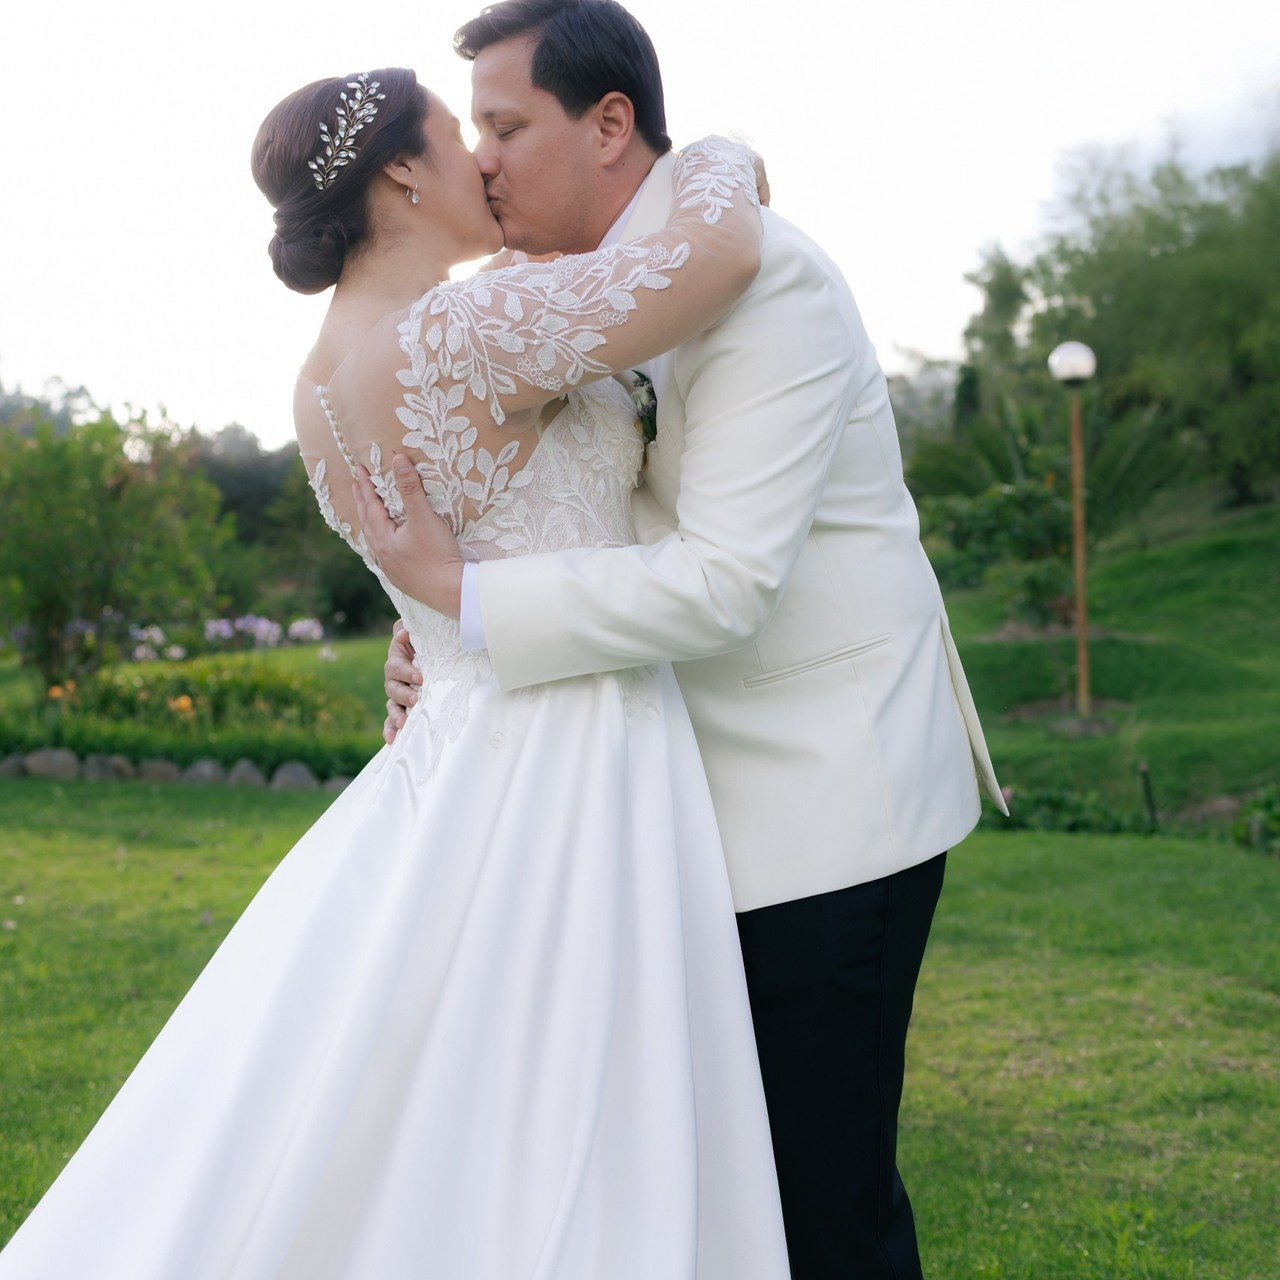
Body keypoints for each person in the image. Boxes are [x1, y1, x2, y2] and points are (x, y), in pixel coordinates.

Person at [0, 66, 792, 1279]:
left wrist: (421, 632)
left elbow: (437, 555)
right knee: (567, 1077)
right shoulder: (466, 327)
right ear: (403, 172)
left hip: (453, 738)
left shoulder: (318, 380)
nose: (484, 157)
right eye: (457, 129)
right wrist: (716, 153)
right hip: (574, 735)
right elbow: (720, 255)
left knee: (413, 1069)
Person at [372, 2, 1009, 1277]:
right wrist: (442, 633)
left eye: (506, 125)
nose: (481, 157)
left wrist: (478, 611)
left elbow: (722, 583)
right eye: (474, 131)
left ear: (610, 126)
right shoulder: (556, 293)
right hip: (653, 807)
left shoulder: (765, 279)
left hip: (821, 808)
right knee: (698, 1195)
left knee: (817, 1196)